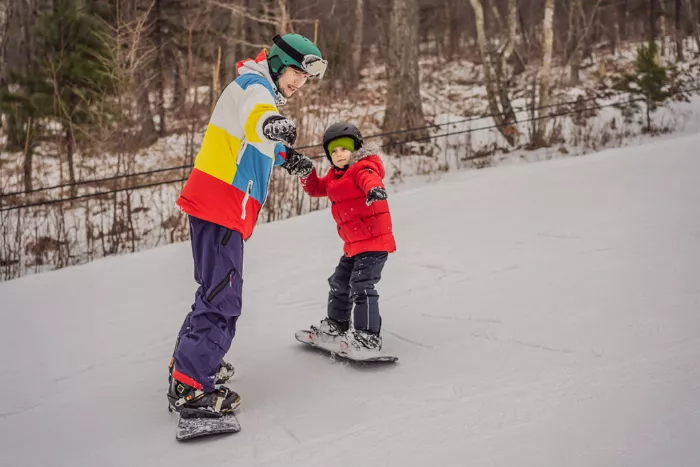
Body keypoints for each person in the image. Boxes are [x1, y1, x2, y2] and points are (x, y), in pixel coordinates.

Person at [167, 34, 322, 414]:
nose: (299, 82)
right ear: (275, 62)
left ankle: (191, 365)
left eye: (305, 77)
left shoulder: (256, 89)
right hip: (221, 207)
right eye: (295, 73)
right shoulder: (255, 86)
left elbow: (252, 137)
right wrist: (273, 125)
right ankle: (191, 388)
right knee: (223, 298)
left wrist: (286, 156)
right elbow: (257, 121)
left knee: (213, 291)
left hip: (219, 207)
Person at [293, 122, 396, 355]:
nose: (339, 155)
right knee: (339, 282)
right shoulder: (334, 177)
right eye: (334, 151)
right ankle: (336, 326)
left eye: (344, 149)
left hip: (374, 242)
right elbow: (316, 189)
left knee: (361, 285)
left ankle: (368, 337)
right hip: (354, 245)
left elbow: (370, 179)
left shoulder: (362, 169)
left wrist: (374, 190)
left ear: (356, 148)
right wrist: (306, 173)